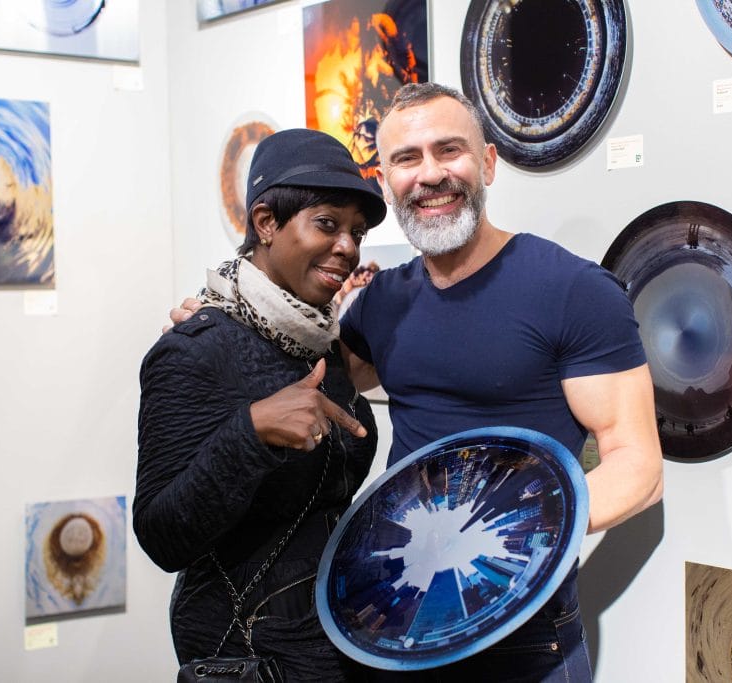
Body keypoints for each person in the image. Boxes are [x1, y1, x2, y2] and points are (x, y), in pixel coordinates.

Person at [173, 83, 663, 681]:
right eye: (407, 159)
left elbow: (639, 467)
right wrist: (219, 322)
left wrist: (503, 542)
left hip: (523, 640)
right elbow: (301, 379)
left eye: (448, 151)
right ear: (386, 180)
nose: (429, 174)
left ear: (486, 163)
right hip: (391, 630)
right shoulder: (382, 302)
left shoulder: (574, 291)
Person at [135, 128, 386, 682]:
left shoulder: (323, 342)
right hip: (248, 654)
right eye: (327, 224)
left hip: (331, 647)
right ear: (267, 222)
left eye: (357, 232)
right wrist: (250, 433)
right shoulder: (195, 350)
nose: (347, 247)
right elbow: (159, 533)